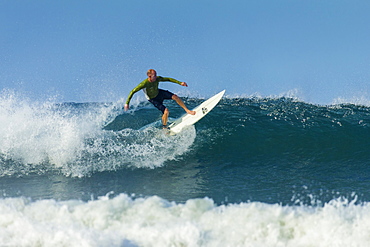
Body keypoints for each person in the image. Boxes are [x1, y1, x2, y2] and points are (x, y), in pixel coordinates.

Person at [124, 69, 196, 127]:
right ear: (149, 76)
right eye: (154, 76)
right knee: (166, 111)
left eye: (156, 75)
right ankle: (164, 126)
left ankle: (187, 110)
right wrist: (127, 103)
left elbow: (168, 79)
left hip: (159, 93)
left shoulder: (157, 79)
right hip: (153, 99)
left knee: (175, 97)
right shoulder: (144, 84)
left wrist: (180, 83)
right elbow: (132, 91)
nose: (156, 76)